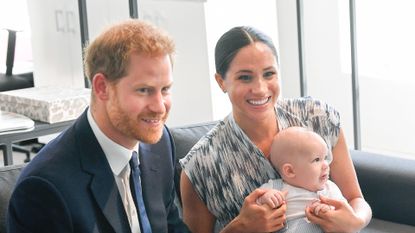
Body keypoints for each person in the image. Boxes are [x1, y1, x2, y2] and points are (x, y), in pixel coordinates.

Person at [180, 26, 372, 233]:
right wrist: (240, 228)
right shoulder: (200, 165)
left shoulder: (318, 117)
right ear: (221, 82)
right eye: (245, 77)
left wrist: (356, 221)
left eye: (269, 74)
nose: (260, 89)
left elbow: (356, 199)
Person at [7, 19, 189, 233]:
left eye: (165, 89)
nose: (159, 107)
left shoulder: (159, 144)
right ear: (102, 87)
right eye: (144, 90)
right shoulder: (43, 190)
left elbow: (171, 227)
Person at [256, 126, 347, 232]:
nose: (326, 165)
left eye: (325, 158)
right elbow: (254, 209)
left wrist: (329, 211)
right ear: (290, 171)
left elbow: (344, 215)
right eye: (317, 159)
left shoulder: (330, 189)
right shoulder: (275, 188)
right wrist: (265, 198)